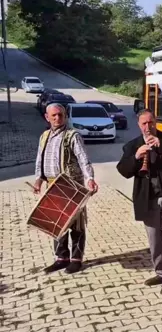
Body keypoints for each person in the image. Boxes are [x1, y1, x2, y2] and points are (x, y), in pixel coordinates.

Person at [116, 109, 162, 295]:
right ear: (139, 125)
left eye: (151, 123)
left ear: (156, 122)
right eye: (144, 124)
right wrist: (136, 157)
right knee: (155, 241)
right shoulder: (133, 146)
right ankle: (161, 272)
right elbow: (123, 171)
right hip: (148, 200)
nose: (148, 127)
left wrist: (161, 146)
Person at [34, 103, 99, 274]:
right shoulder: (44, 136)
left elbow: (83, 158)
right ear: (47, 117)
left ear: (65, 116)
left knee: (76, 224)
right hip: (52, 186)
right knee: (57, 223)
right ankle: (61, 258)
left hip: (72, 185)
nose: (57, 118)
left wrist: (90, 178)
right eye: (53, 115)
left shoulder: (72, 135)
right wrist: (38, 179)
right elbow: (40, 160)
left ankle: (76, 260)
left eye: (60, 115)